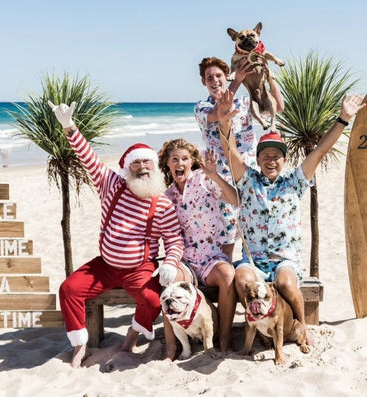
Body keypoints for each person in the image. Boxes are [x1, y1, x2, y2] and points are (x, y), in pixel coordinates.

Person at [214, 89, 365, 345]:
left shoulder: (294, 181)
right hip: (255, 259)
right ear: (258, 159)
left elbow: (319, 152)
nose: (271, 160)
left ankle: (302, 329)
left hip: (285, 258)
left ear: (284, 159)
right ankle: (260, 324)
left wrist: (343, 119)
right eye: (265, 156)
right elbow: (231, 153)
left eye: (276, 156)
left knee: (285, 283)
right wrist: (224, 121)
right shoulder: (248, 179)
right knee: (242, 279)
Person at [49, 101, 184, 368]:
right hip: (105, 266)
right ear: (127, 167)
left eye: (147, 161)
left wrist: (170, 262)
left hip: (139, 268)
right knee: (69, 289)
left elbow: (174, 239)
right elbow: (87, 157)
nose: (142, 166)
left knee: (152, 299)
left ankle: (131, 337)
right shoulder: (111, 184)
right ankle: (80, 344)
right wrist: (69, 126)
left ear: (154, 165)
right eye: (136, 163)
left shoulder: (163, 202)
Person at [194, 56, 285, 261]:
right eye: (209, 78)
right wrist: (237, 81)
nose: (215, 80)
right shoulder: (201, 107)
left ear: (226, 76)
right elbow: (221, 112)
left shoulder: (245, 102)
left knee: (254, 226)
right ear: (203, 82)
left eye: (219, 76)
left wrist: (269, 76)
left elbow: (278, 107)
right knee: (227, 234)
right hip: (221, 177)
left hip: (247, 173)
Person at [158, 138, 239, 356]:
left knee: (228, 275)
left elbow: (235, 200)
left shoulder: (205, 180)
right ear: (167, 164)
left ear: (192, 162)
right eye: (174, 159)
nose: (179, 163)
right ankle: (171, 347)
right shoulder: (167, 196)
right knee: (169, 280)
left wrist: (214, 175)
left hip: (212, 259)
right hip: (186, 262)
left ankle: (223, 338)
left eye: (185, 158)